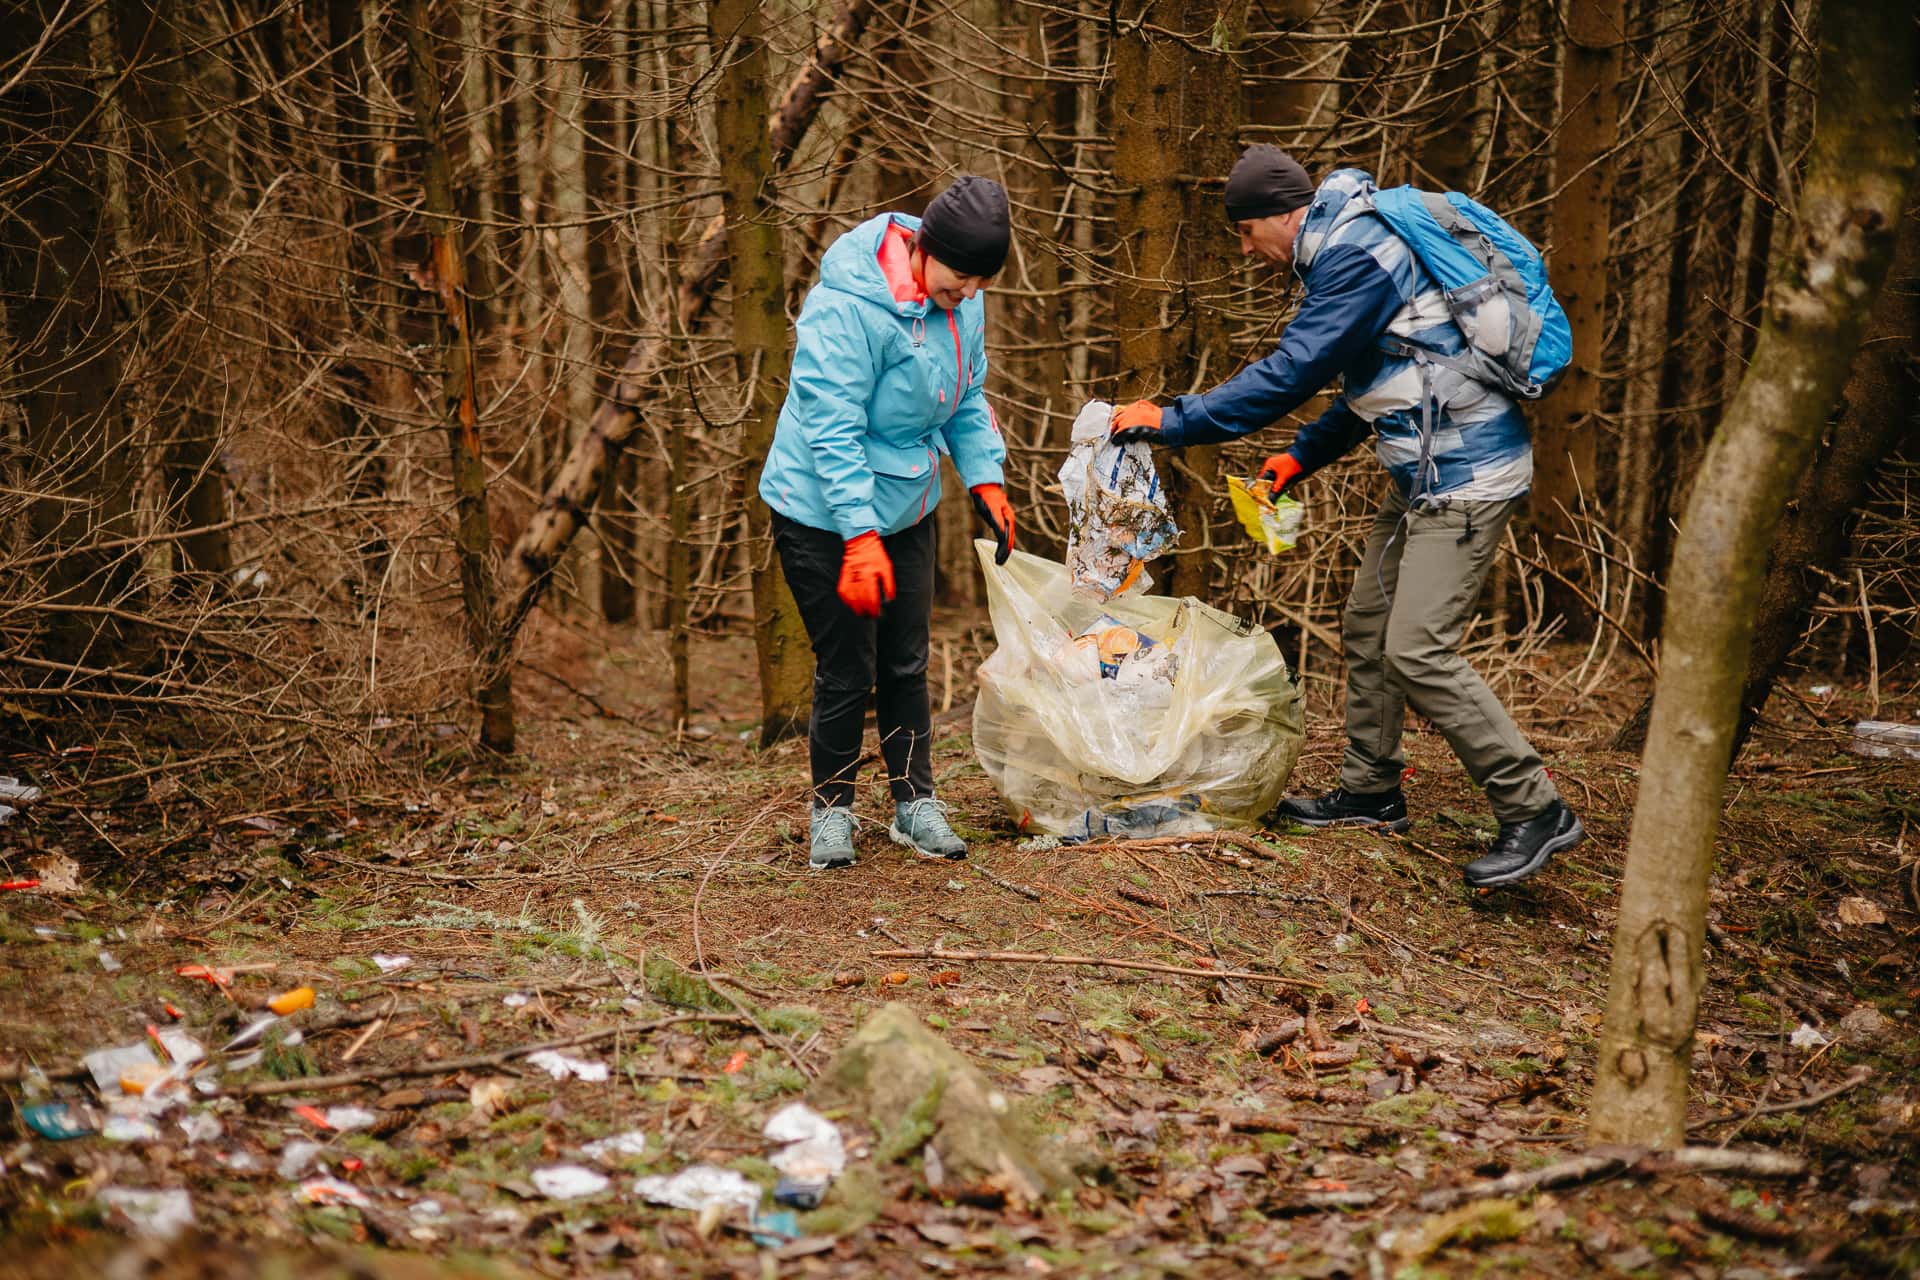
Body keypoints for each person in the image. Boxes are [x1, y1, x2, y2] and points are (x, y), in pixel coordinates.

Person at [1109, 146, 1583, 888]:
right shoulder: (1350, 248)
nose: (1246, 249)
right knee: (1369, 624)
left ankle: (1534, 807)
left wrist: (1171, 420)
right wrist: (1300, 458)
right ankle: (1371, 789)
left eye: (1245, 232)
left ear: (1281, 217)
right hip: (1420, 470)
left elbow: (1291, 371)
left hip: (1462, 477)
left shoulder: (1359, 254)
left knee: (1418, 650)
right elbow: (1386, 378)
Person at [760, 175, 1017, 871]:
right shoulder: (846, 308)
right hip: (822, 509)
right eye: (959, 279)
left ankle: (914, 803)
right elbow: (831, 429)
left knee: (907, 661)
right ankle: (832, 811)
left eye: (978, 285)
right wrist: (859, 535)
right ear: (925, 249)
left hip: (907, 503)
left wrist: (985, 477)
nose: (966, 295)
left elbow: (966, 395)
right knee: (849, 668)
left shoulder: (962, 300)